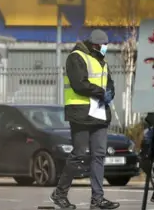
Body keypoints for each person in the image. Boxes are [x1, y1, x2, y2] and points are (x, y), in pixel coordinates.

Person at [49, 29, 120, 209]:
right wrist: (101, 92)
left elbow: (108, 82)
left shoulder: (101, 61)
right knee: (79, 153)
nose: (105, 48)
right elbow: (79, 84)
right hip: (80, 113)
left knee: (99, 155)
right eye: (103, 45)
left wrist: (110, 92)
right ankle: (60, 193)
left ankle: (97, 199)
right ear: (94, 44)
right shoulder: (76, 57)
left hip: (100, 113)